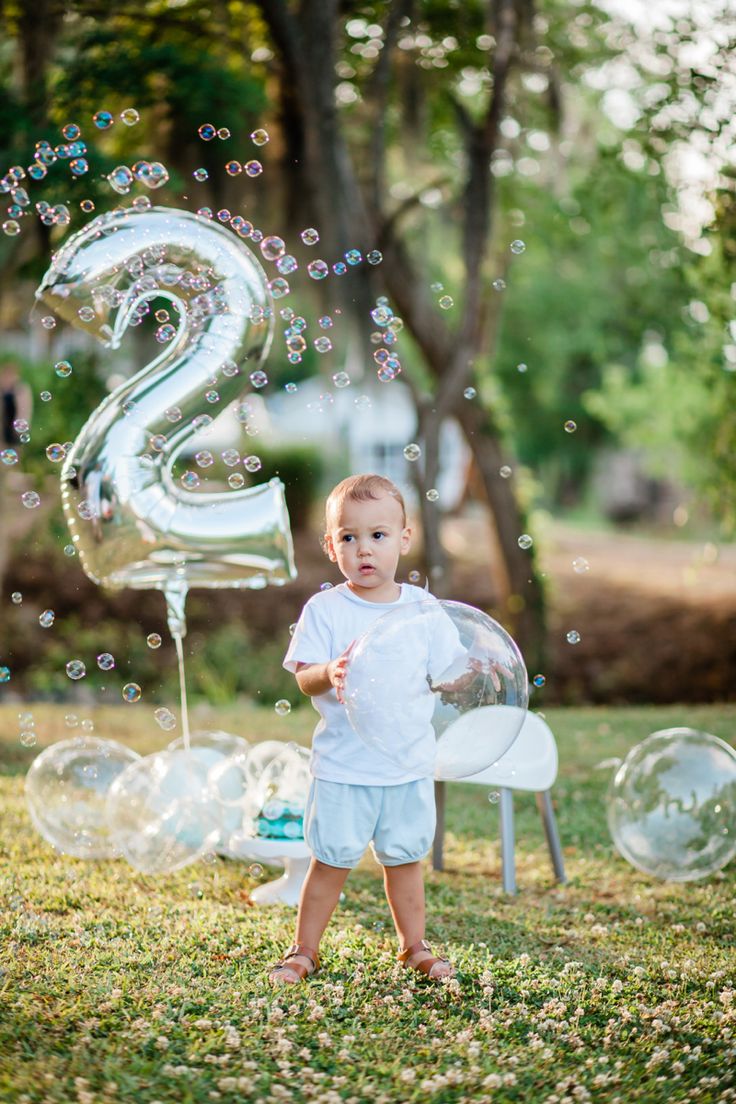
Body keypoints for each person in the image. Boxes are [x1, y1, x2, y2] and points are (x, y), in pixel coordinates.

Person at [270, 473, 462, 986]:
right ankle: (303, 950)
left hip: (406, 764)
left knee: (404, 862)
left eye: (377, 535)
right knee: (329, 862)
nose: (364, 549)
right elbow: (305, 677)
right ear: (331, 546)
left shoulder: (422, 609)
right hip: (344, 767)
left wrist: (472, 675)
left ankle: (414, 947)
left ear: (404, 538)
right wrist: (328, 671)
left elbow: (452, 670)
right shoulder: (327, 610)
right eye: (349, 537)